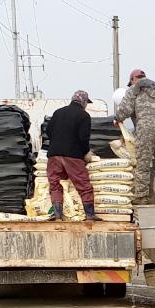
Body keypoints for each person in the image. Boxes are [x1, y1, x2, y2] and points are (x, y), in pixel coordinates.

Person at [115, 70, 155, 204]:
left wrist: (117, 119)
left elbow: (125, 110)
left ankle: (142, 197)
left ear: (133, 79)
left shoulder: (133, 90)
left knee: (143, 164)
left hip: (145, 128)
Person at [45, 90, 100, 221]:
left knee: (55, 184)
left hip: (54, 154)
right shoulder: (84, 115)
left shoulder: (58, 112)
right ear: (84, 102)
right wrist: (85, 153)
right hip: (72, 155)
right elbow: (83, 138)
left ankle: (58, 216)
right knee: (83, 184)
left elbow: (48, 131)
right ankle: (90, 215)